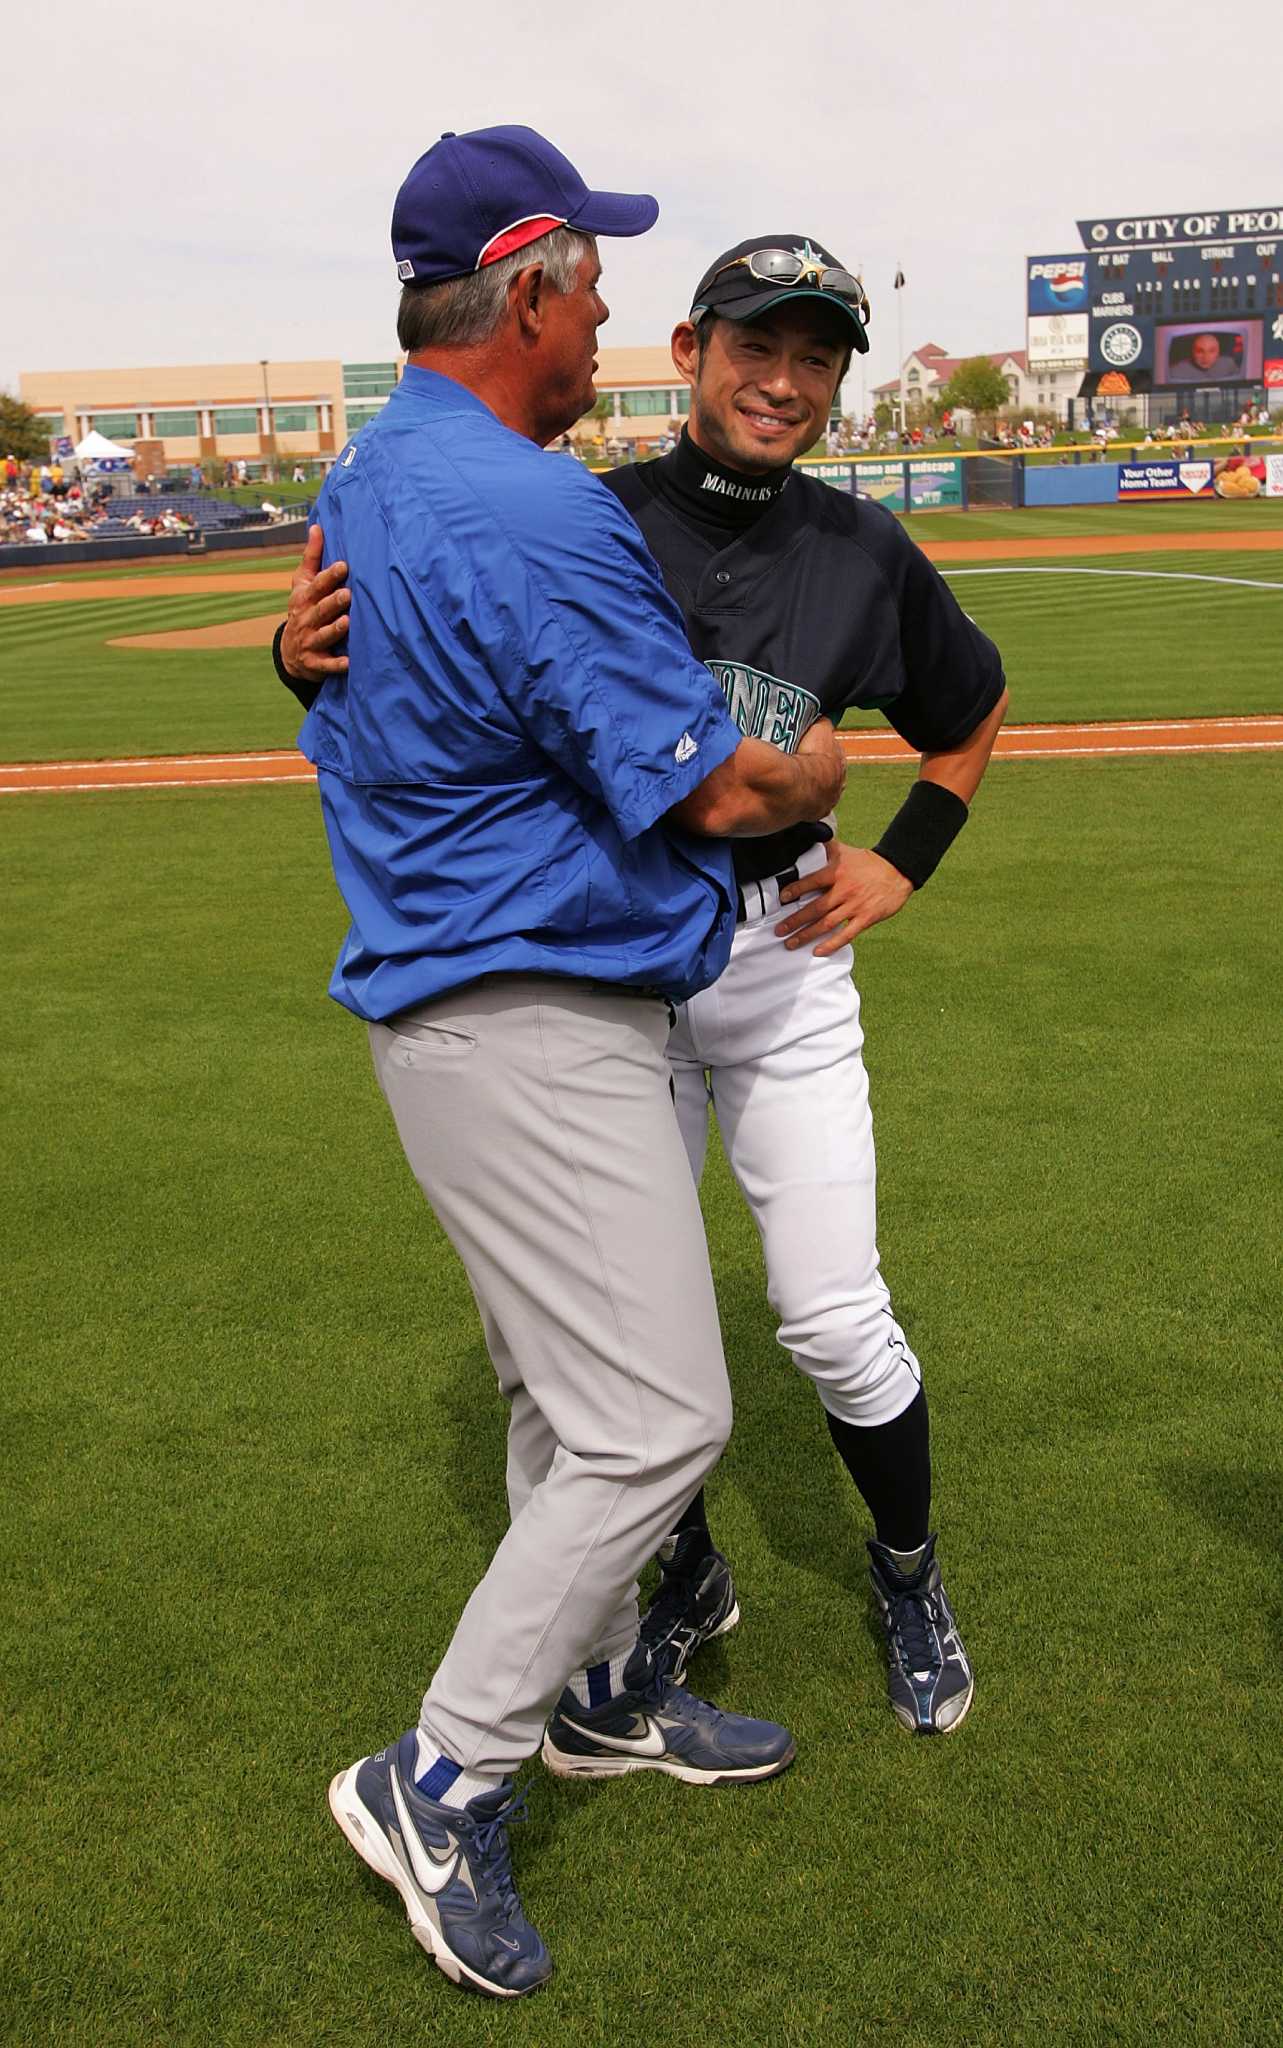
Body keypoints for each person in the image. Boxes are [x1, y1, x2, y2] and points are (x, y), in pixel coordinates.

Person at [279, 229, 1008, 1743]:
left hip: (785, 957)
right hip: (621, 968)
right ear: (687, 352)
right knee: (623, 1333)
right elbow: (418, 672)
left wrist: (903, 860)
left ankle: (908, 1570)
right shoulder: (582, 521)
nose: (784, 381)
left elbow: (969, 702)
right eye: (757, 347)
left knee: (830, 1315)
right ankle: (659, 1594)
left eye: (816, 357)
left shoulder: (861, 552)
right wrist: (297, 665)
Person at [282, 128, 850, 2002]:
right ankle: (439, 1774)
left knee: (561, 1399)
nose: (604, 303)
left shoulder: (379, 468)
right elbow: (711, 784)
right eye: (590, 275)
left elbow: (364, 682)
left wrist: (292, 674)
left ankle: (603, 1691)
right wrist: (815, 774)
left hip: (476, 1000)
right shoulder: (534, 507)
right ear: (524, 292)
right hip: (527, 1009)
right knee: (656, 1421)